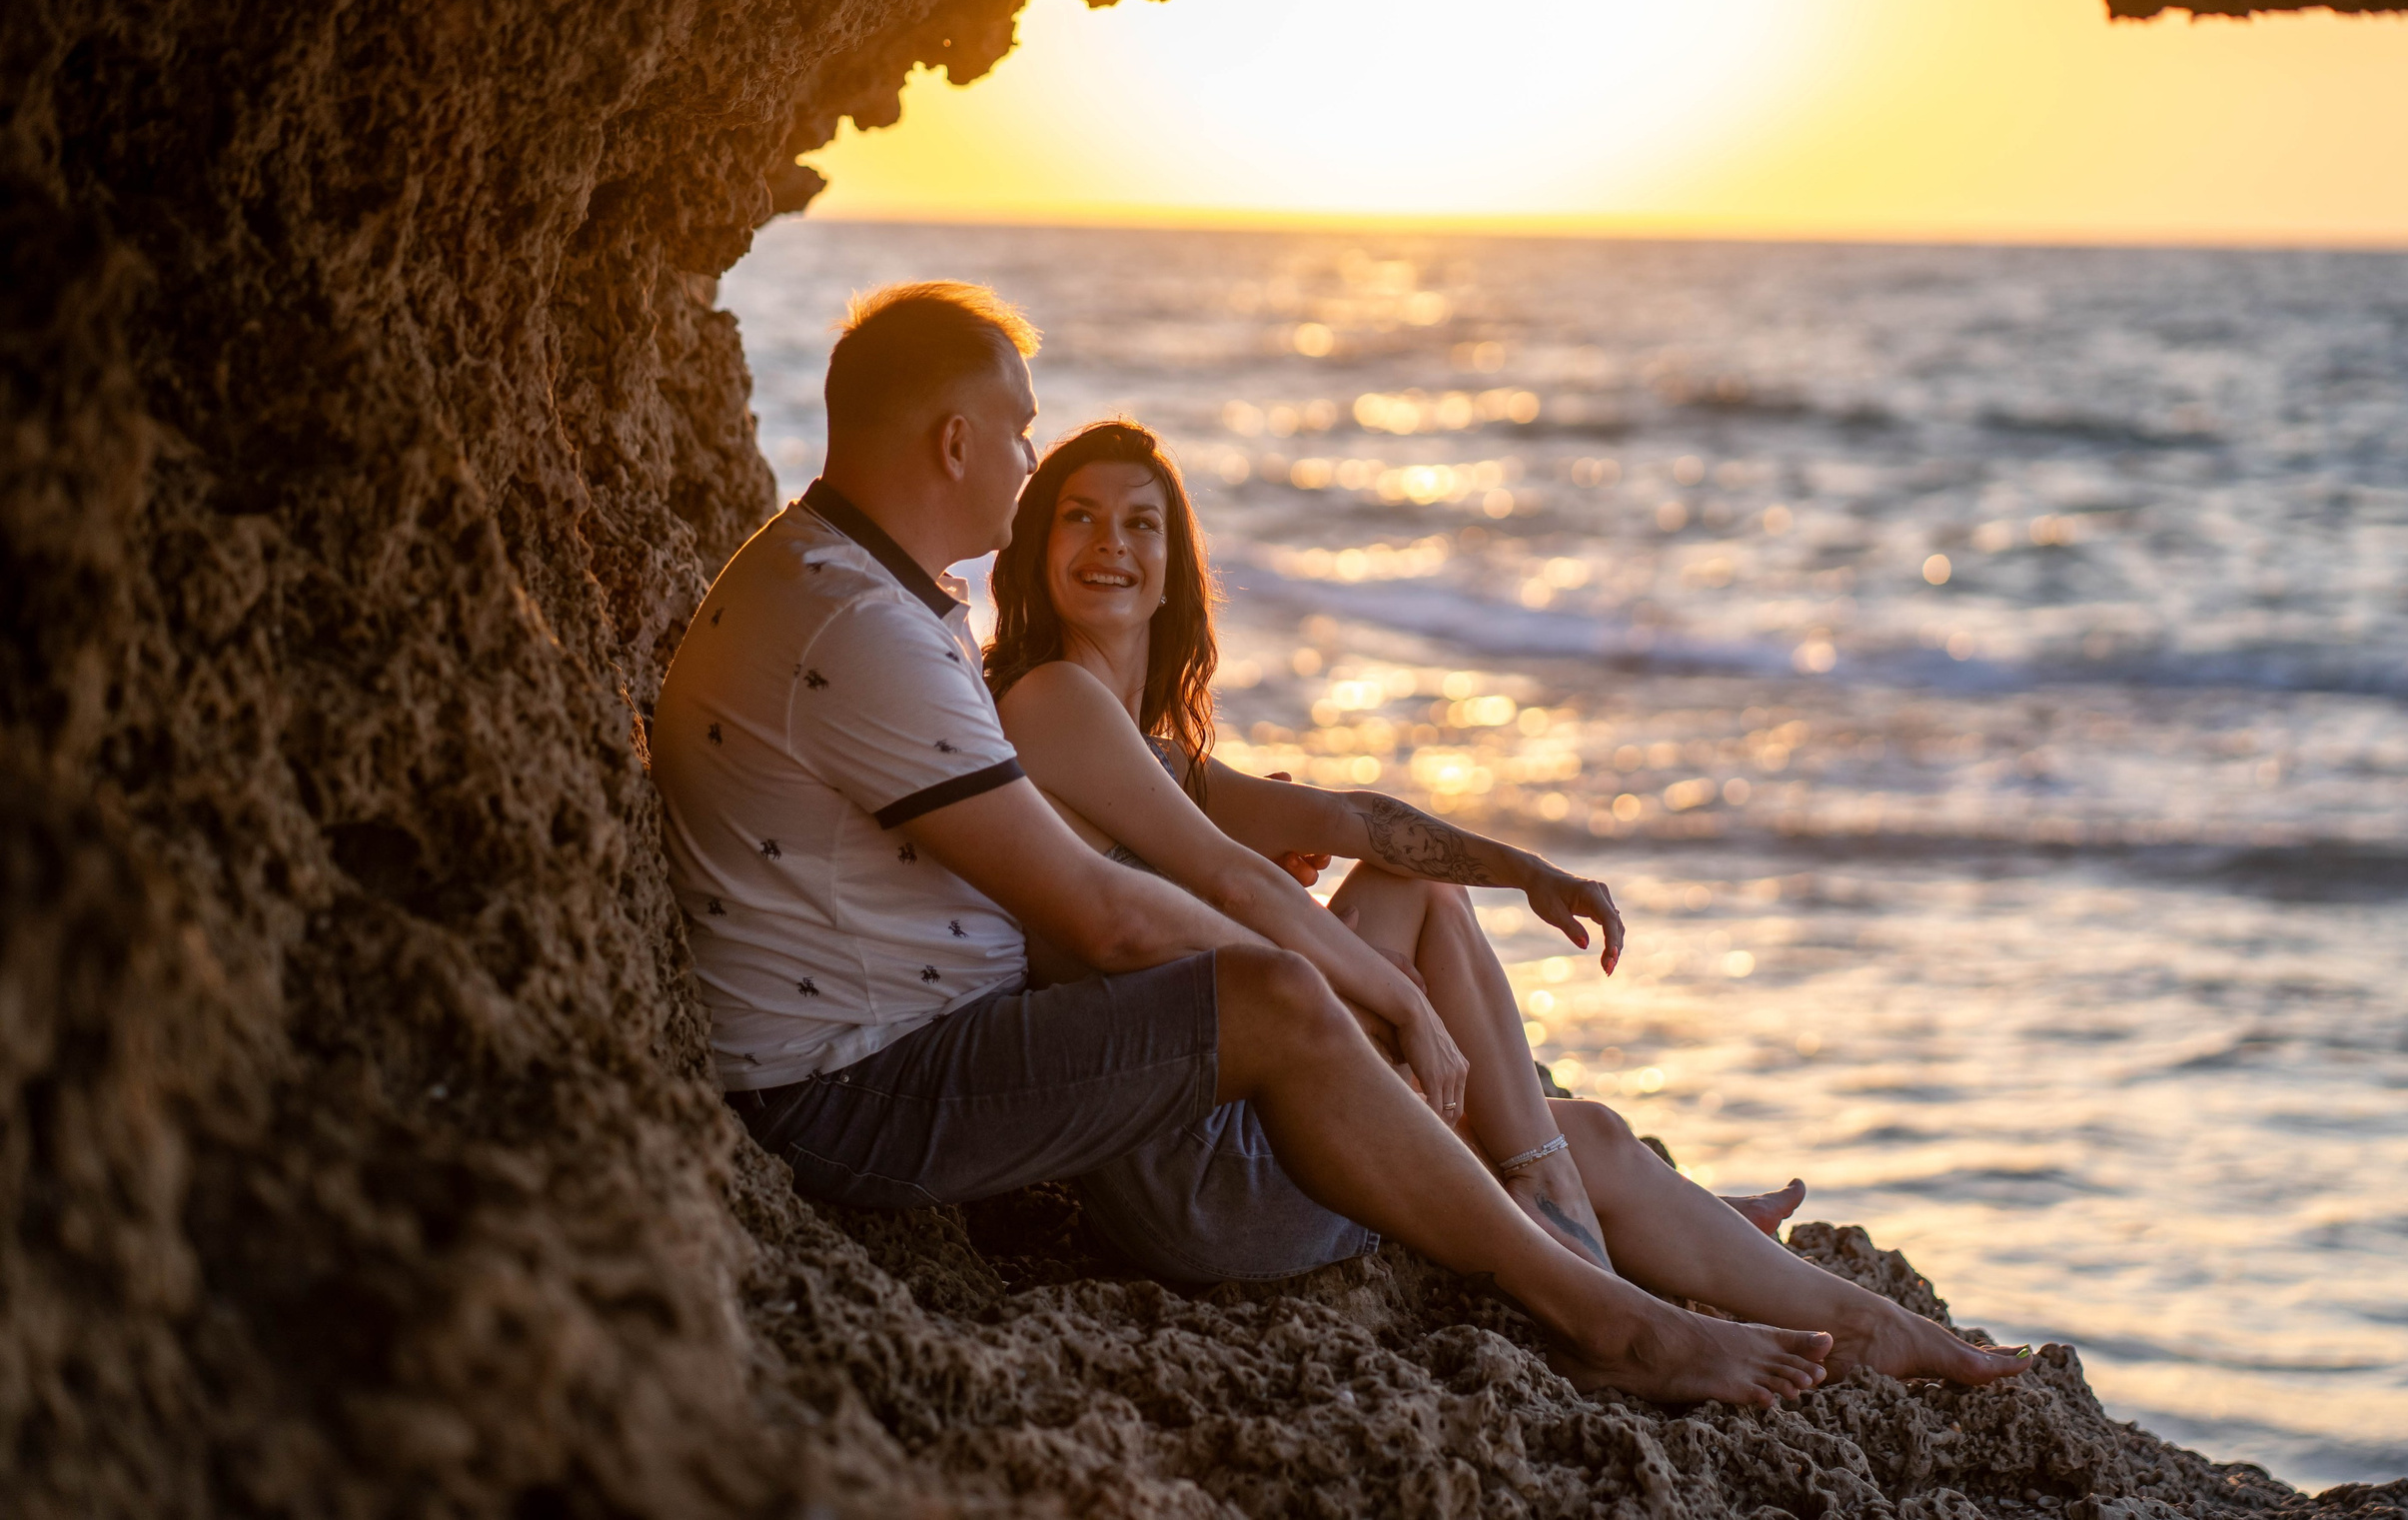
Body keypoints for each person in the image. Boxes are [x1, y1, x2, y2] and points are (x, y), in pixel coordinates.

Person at [650, 279, 1838, 1406]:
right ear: (955, 443)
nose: (1029, 456)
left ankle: (1689, 1265)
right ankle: (1607, 1309)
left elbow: (1328, 824)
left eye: (1135, 521)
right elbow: (1107, 915)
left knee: (1512, 1086)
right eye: (1021, 433)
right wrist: (1361, 1000)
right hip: (857, 1092)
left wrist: (1515, 876)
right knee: (1287, 997)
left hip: (896, 1054)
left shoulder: (876, 596)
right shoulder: (868, 626)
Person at [982, 418, 2032, 1387]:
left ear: (1174, 566)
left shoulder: (1155, 753)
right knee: (1498, 1049)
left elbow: (1354, 820)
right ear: (1036, 550)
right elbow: (1233, 880)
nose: (1109, 543)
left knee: (1594, 1134)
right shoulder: (1050, 699)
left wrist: (1527, 868)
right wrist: (1404, 1004)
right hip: (1200, 1177)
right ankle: (1594, 1267)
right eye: (1079, 516)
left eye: (1141, 523)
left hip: (1255, 1125)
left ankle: (1862, 1324)